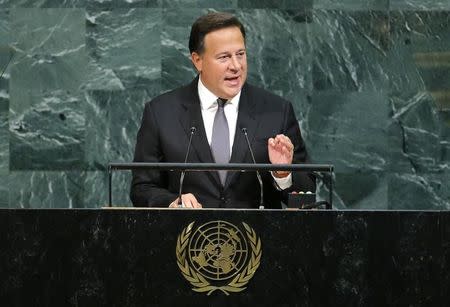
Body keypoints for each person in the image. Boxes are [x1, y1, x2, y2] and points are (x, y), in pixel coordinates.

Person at [130, 12, 315, 209]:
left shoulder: (277, 111)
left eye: (240, 54)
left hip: (257, 238)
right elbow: (142, 188)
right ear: (197, 60)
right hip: (187, 237)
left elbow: (308, 192)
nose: (236, 66)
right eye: (224, 57)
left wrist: (283, 174)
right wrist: (172, 202)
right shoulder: (161, 113)